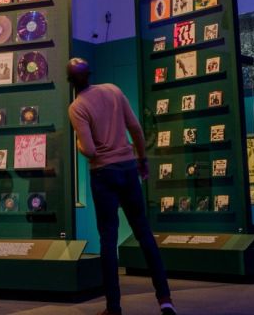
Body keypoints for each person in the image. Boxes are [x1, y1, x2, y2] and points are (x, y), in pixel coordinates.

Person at [66, 58, 175, 315]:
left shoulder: (77, 107)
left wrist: (79, 144)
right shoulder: (114, 90)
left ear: (70, 81)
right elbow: (136, 128)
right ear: (90, 74)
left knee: (108, 239)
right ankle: (165, 300)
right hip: (128, 169)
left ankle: (113, 307)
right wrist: (142, 160)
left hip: (103, 174)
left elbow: (90, 149)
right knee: (144, 234)